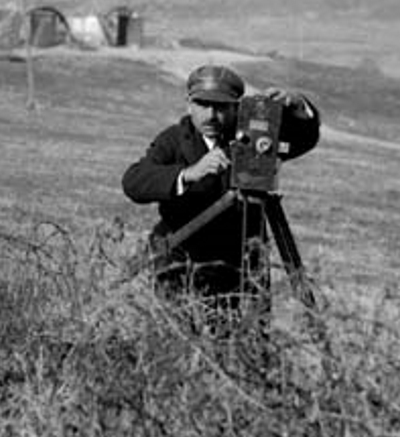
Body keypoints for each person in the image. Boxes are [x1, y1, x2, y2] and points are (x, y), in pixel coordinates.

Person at [121, 63, 320, 334]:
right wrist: (188, 174)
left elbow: (304, 139)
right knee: (177, 339)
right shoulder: (175, 139)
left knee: (248, 342)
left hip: (240, 259)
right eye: (203, 105)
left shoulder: (254, 135)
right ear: (189, 104)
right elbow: (134, 181)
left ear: (236, 108)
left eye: (221, 107)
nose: (211, 115)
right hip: (183, 256)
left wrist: (298, 106)